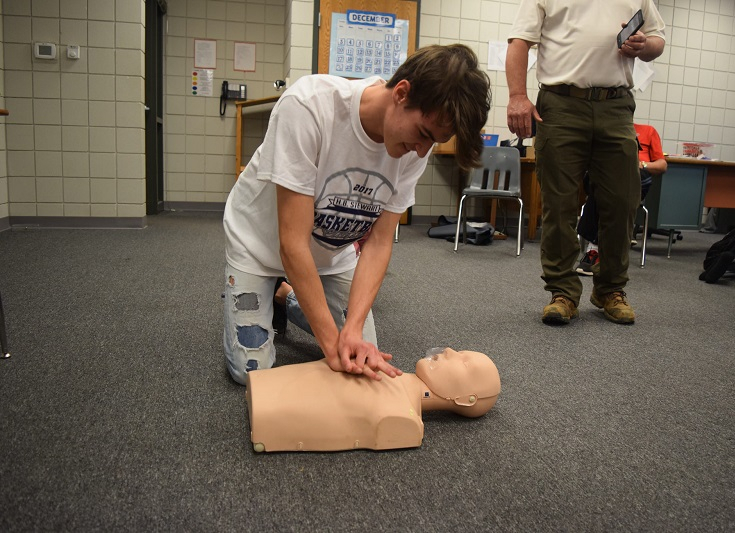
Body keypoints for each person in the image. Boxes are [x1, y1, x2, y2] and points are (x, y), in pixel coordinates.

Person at [223, 44, 492, 385]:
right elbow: (292, 243)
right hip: (258, 244)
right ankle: (266, 287)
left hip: (332, 252)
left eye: (434, 142)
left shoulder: (415, 147)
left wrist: (351, 330)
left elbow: (379, 244)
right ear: (402, 92)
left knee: (361, 352)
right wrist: (329, 343)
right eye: (424, 134)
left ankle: (284, 295)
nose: (423, 151)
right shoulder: (309, 106)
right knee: (252, 374)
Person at [506, 1, 665, 325]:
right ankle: (562, 291)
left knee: (623, 200)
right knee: (559, 202)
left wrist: (643, 45)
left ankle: (610, 289)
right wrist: (517, 96)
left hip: (616, 106)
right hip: (561, 104)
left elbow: (657, 40)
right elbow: (519, 41)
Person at [246, 347, 501, 452]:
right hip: (265, 387)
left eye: (464, 363)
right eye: (460, 350)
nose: (448, 351)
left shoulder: (403, 419)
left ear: (466, 399)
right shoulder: (386, 372)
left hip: (267, 410)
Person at [576, 123, 668, 275]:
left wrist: (641, 164)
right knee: (601, 185)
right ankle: (621, 232)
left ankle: (593, 251)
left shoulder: (648, 131)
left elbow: (662, 165)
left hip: (637, 174)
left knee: (604, 191)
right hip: (605, 174)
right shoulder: (606, 128)